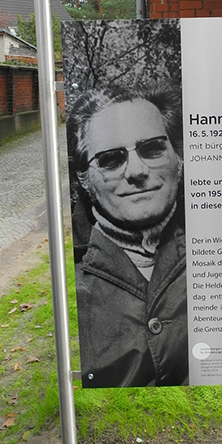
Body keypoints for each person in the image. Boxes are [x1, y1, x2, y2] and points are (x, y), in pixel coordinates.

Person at [69, 83, 188, 387]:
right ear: (84, 180)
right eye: (111, 159)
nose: (136, 171)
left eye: (152, 148)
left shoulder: (218, 249)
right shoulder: (69, 273)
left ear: (179, 160)